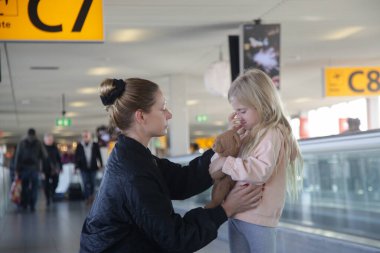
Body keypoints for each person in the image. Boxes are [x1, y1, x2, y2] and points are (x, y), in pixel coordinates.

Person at [80, 78, 264, 253]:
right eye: (163, 108)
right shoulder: (133, 172)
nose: (169, 114)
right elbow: (176, 238)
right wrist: (226, 209)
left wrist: (222, 147)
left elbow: (183, 180)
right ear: (141, 116)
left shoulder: (133, 155)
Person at [209, 68, 303, 253]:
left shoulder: (272, 133)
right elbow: (215, 163)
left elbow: (260, 171)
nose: (238, 117)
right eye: (236, 112)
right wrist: (232, 134)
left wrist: (226, 163)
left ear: (262, 104)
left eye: (242, 111)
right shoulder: (248, 134)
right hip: (237, 213)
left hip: (258, 217)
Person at [14, 128, 47, 212]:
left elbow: (17, 157)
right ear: (35, 134)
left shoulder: (21, 143)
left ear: (27, 134)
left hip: (23, 169)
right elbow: (44, 156)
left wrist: (16, 169)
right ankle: (32, 205)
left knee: (24, 187)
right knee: (35, 187)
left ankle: (25, 204)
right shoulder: (38, 143)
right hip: (35, 169)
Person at [75, 130, 103, 205]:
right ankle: (87, 197)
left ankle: (91, 196)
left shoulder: (95, 144)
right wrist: (76, 167)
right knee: (85, 183)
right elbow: (76, 157)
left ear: (90, 136)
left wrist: (101, 164)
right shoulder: (79, 145)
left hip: (93, 167)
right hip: (83, 167)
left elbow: (99, 156)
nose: (85, 137)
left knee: (92, 183)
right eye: (84, 136)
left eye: (87, 135)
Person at [42, 133, 62, 206]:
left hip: (54, 169)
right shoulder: (42, 148)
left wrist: (61, 167)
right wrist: (41, 171)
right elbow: (39, 160)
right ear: (45, 140)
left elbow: (59, 158)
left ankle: (52, 193)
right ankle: (48, 198)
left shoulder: (55, 147)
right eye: (48, 139)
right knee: (45, 185)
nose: (50, 141)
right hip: (45, 169)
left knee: (56, 182)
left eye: (51, 139)